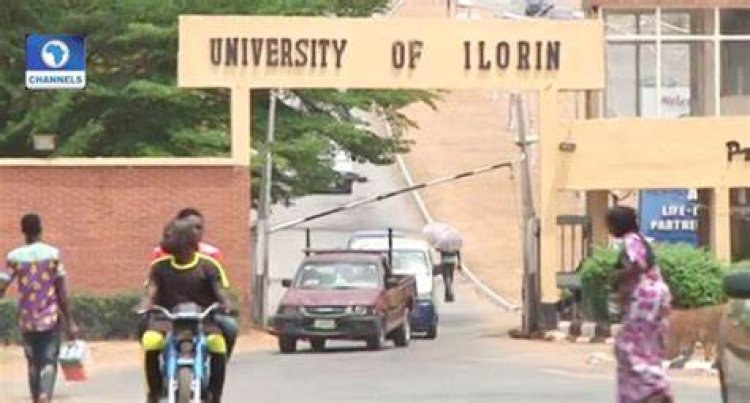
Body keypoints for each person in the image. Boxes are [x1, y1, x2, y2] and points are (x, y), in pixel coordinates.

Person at [139, 218, 232, 403]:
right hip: (166, 318)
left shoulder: (208, 266)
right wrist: (145, 304)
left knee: (217, 344)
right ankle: (155, 391)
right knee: (150, 341)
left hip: (202, 319)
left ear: (189, 243)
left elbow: (219, 290)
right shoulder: (159, 267)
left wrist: (226, 303)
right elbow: (152, 290)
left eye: (175, 239)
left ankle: (215, 394)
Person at [0, 213, 79, 403]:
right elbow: (61, 291)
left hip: (27, 320)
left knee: (33, 363)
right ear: (40, 229)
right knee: (48, 361)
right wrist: (70, 322)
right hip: (50, 318)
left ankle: (37, 398)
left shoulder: (14, 257)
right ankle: (45, 396)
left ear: (23, 231)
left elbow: (2, 283)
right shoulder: (52, 255)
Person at [147, 208, 238, 359]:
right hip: (169, 315)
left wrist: (226, 304)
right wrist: (147, 304)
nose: (198, 231)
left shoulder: (210, 258)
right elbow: (153, 286)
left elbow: (217, 287)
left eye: (199, 227)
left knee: (229, 328)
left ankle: (219, 364)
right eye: (194, 227)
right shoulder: (160, 261)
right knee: (147, 332)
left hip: (202, 315)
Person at [606, 206, 673, 403]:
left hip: (646, 298)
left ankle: (652, 389)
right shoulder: (638, 238)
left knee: (628, 346)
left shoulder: (631, 240)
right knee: (646, 345)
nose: (609, 229)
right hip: (653, 297)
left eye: (610, 224)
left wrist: (617, 276)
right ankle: (647, 392)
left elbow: (638, 264)